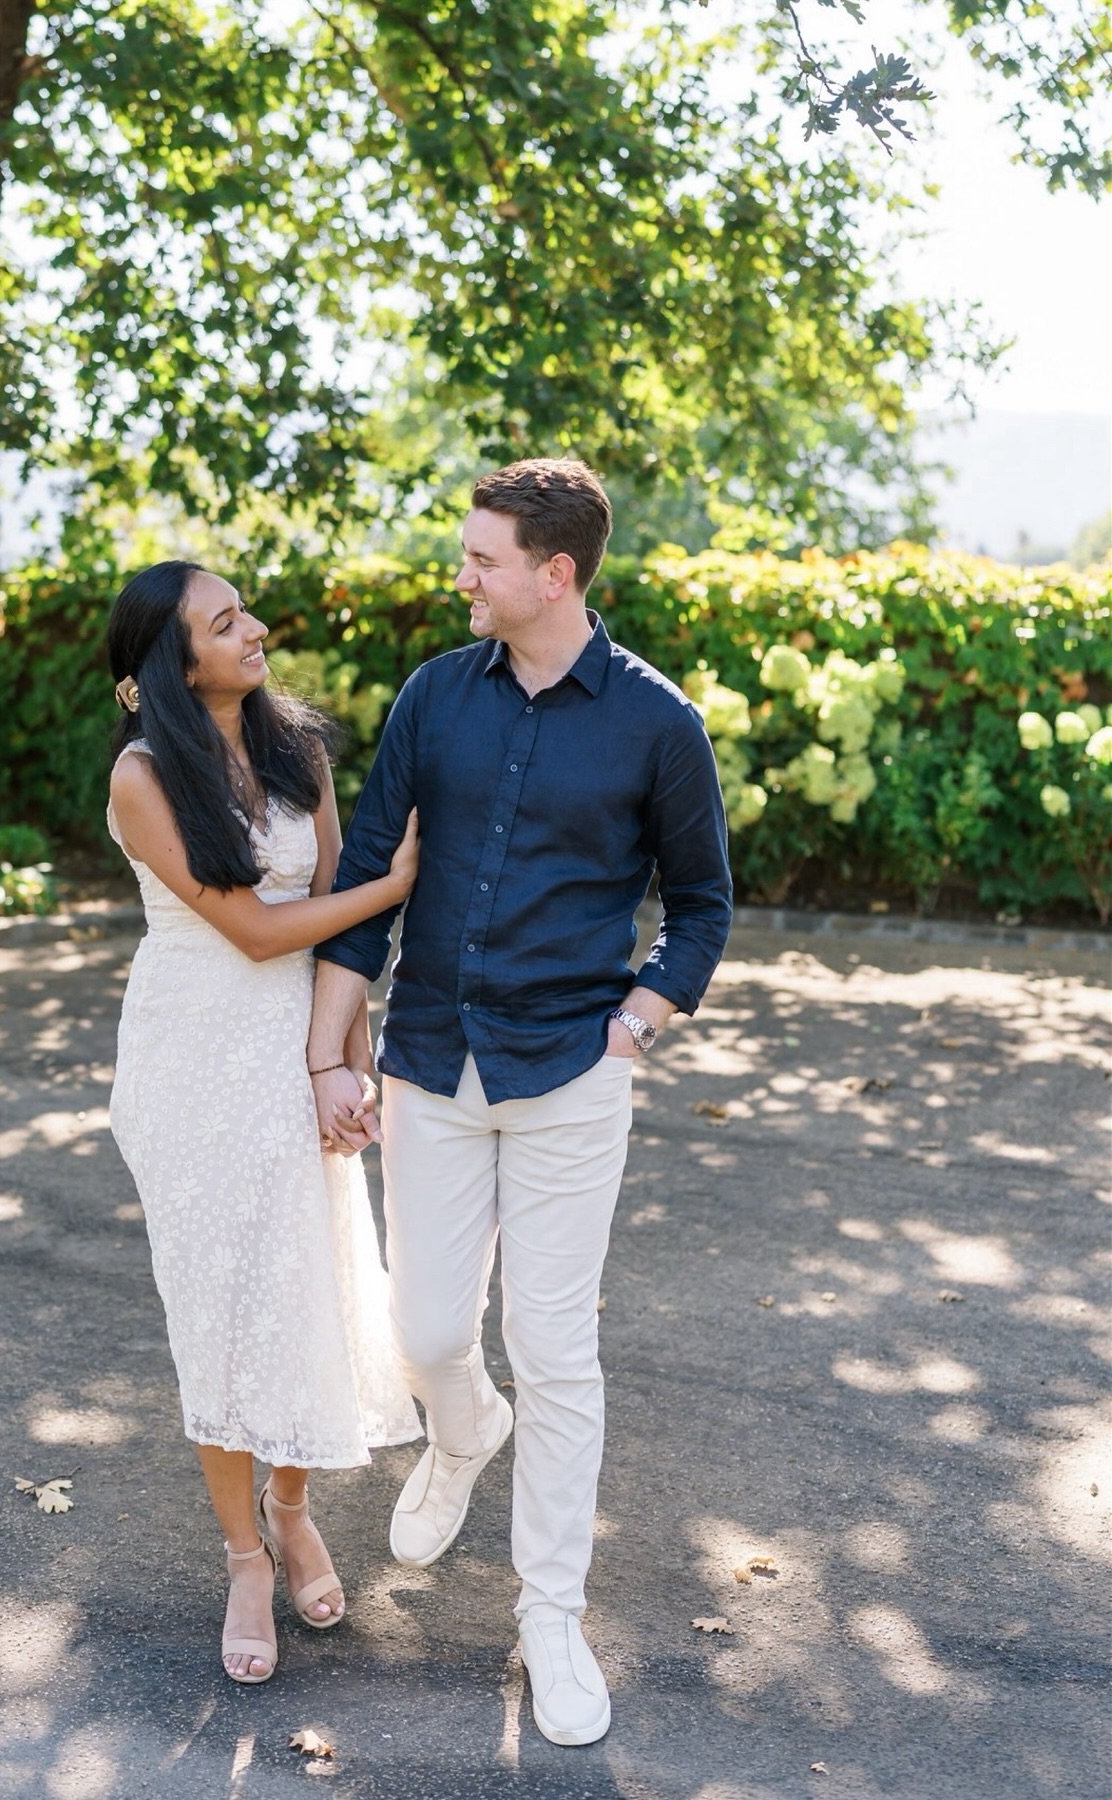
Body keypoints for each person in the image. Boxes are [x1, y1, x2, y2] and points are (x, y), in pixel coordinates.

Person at [307, 460, 733, 1746]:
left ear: (556, 574)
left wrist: (641, 1018)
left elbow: (703, 904)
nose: (463, 575)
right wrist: (333, 1051)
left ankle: (550, 1612)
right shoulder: (437, 692)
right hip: (431, 1058)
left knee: (557, 1352)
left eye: (483, 558)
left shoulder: (658, 722)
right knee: (431, 1333)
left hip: (569, 1073)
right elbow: (373, 866)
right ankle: (462, 1431)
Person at [104, 560, 421, 1687]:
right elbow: (252, 930)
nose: (258, 630)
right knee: (221, 1310)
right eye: (225, 622)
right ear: (168, 660)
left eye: (247, 613)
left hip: (296, 1055)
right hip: (193, 1066)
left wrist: (347, 1058)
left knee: (307, 1291)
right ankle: (245, 1556)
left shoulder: (299, 752)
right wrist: (398, 884)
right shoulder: (144, 779)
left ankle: (293, 1513)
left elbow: (331, 931)